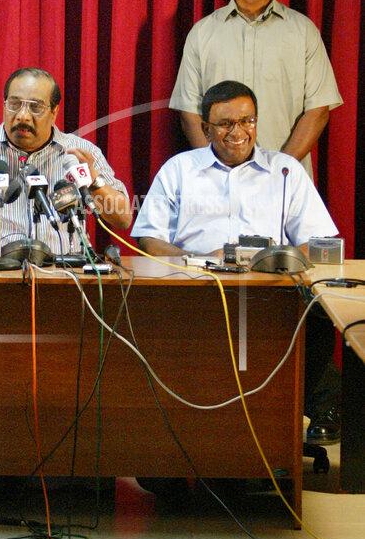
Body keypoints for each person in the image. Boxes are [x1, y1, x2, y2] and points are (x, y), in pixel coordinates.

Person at [133, 79, 341, 443]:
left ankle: (288, 424)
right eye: (226, 123)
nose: (239, 132)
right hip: (194, 290)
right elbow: (149, 240)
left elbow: (318, 242)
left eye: (247, 121)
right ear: (205, 128)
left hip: (270, 294)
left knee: (319, 312)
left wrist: (276, 260)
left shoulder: (285, 171)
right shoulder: (179, 169)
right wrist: (199, 260)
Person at [169, 0, 342, 177]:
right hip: (219, 182)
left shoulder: (303, 31)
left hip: (286, 180)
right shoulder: (202, 33)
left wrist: (277, 171)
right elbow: (189, 112)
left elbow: (318, 110)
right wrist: (218, 170)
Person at [0, 67, 131, 255]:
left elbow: (123, 219)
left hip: (62, 276)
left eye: (35, 107)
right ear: (4, 104)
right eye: (14, 105)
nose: (23, 116)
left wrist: (94, 181)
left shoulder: (81, 152)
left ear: (54, 112)